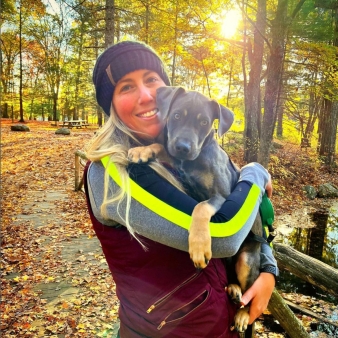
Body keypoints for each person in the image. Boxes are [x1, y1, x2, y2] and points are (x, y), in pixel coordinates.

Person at [84, 40, 278, 338]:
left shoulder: (177, 153)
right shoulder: (113, 173)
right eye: (126, 87)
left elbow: (247, 218)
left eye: (151, 80)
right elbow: (224, 234)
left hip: (215, 322)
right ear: (109, 103)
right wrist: (254, 171)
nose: (147, 96)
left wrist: (267, 269)